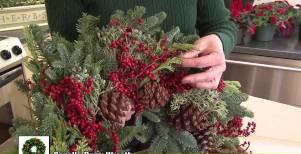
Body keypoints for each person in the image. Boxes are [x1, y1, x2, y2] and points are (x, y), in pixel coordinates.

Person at [44, 0, 237, 89]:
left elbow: (221, 24)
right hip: (107, 128)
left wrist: (220, 40)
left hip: (185, 112)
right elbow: (66, 55)